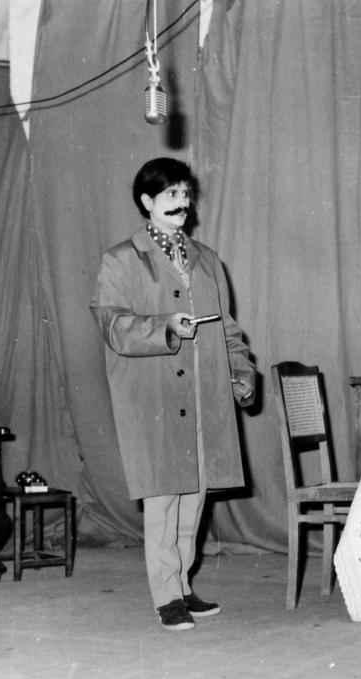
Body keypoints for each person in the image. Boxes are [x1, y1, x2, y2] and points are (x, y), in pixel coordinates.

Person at [91, 157, 256, 631]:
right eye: (171, 195)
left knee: (195, 495)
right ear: (147, 201)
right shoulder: (120, 259)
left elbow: (228, 328)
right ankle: (165, 596)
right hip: (156, 397)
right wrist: (164, 326)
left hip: (204, 395)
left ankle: (182, 585)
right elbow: (112, 324)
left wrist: (241, 371)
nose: (182, 203)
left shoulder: (206, 259)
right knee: (164, 497)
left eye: (186, 194)